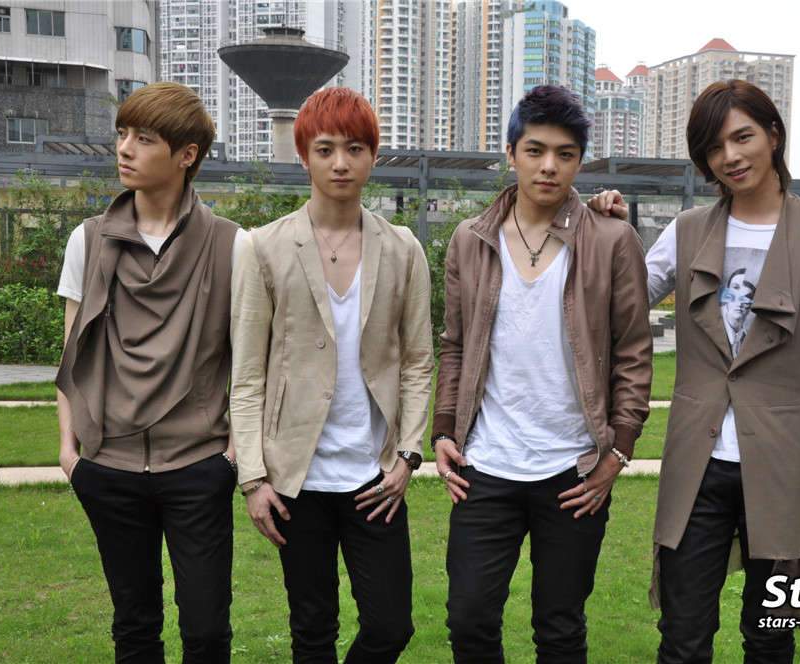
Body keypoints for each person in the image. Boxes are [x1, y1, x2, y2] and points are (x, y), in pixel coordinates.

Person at [588, 79, 800, 664]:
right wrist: (606, 232)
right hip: (698, 464)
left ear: (773, 135)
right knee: (683, 638)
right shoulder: (686, 232)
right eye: (714, 147)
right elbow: (617, 306)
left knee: (770, 637)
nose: (730, 157)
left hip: (784, 463)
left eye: (742, 137)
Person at [432, 85, 652, 664]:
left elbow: (634, 352)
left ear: (579, 161)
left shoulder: (612, 239)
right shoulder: (470, 240)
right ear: (511, 154)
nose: (549, 165)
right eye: (535, 150)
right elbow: (455, 346)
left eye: (565, 153)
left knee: (560, 629)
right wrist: (445, 429)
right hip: (487, 466)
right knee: (469, 620)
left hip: (573, 470)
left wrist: (618, 451)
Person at [229, 87, 434, 664]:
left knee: (391, 626)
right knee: (312, 631)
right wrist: (254, 479)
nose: (340, 163)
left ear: (373, 156)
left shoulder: (402, 249)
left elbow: (418, 360)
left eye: (354, 148)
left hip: (375, 477)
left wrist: (407, 456)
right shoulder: (263, 247)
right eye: (325, 149)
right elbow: (247, 374)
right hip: (298, 481)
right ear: (304, 157)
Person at [56, 81, 246, 663]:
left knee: (207, 631)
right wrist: (70, 452)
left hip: (198, 466)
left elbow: (249, 360)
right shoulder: (88, 240)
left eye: (143, 138)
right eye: (122, 134)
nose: (124, 148)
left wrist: (230, 456)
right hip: (108, 466)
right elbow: (71, 354)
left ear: (187, 155)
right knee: (134, 628)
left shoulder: (233, 245)